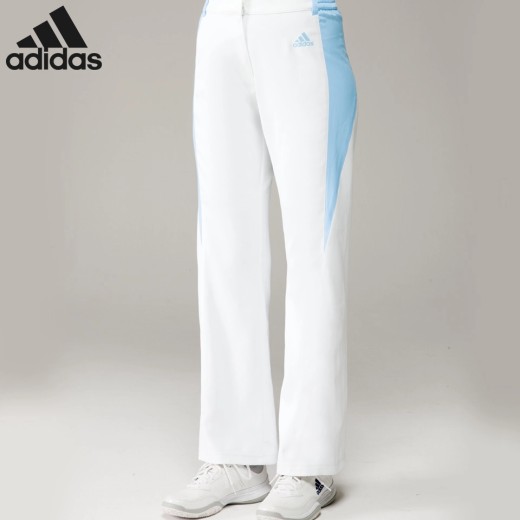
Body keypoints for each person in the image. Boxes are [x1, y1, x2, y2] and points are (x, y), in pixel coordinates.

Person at [163, 0, 357, 518]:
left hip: (299, 24)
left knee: (314, 253)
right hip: (219, 27)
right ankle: (237, 458)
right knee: (224, 248)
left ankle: (310, 464)